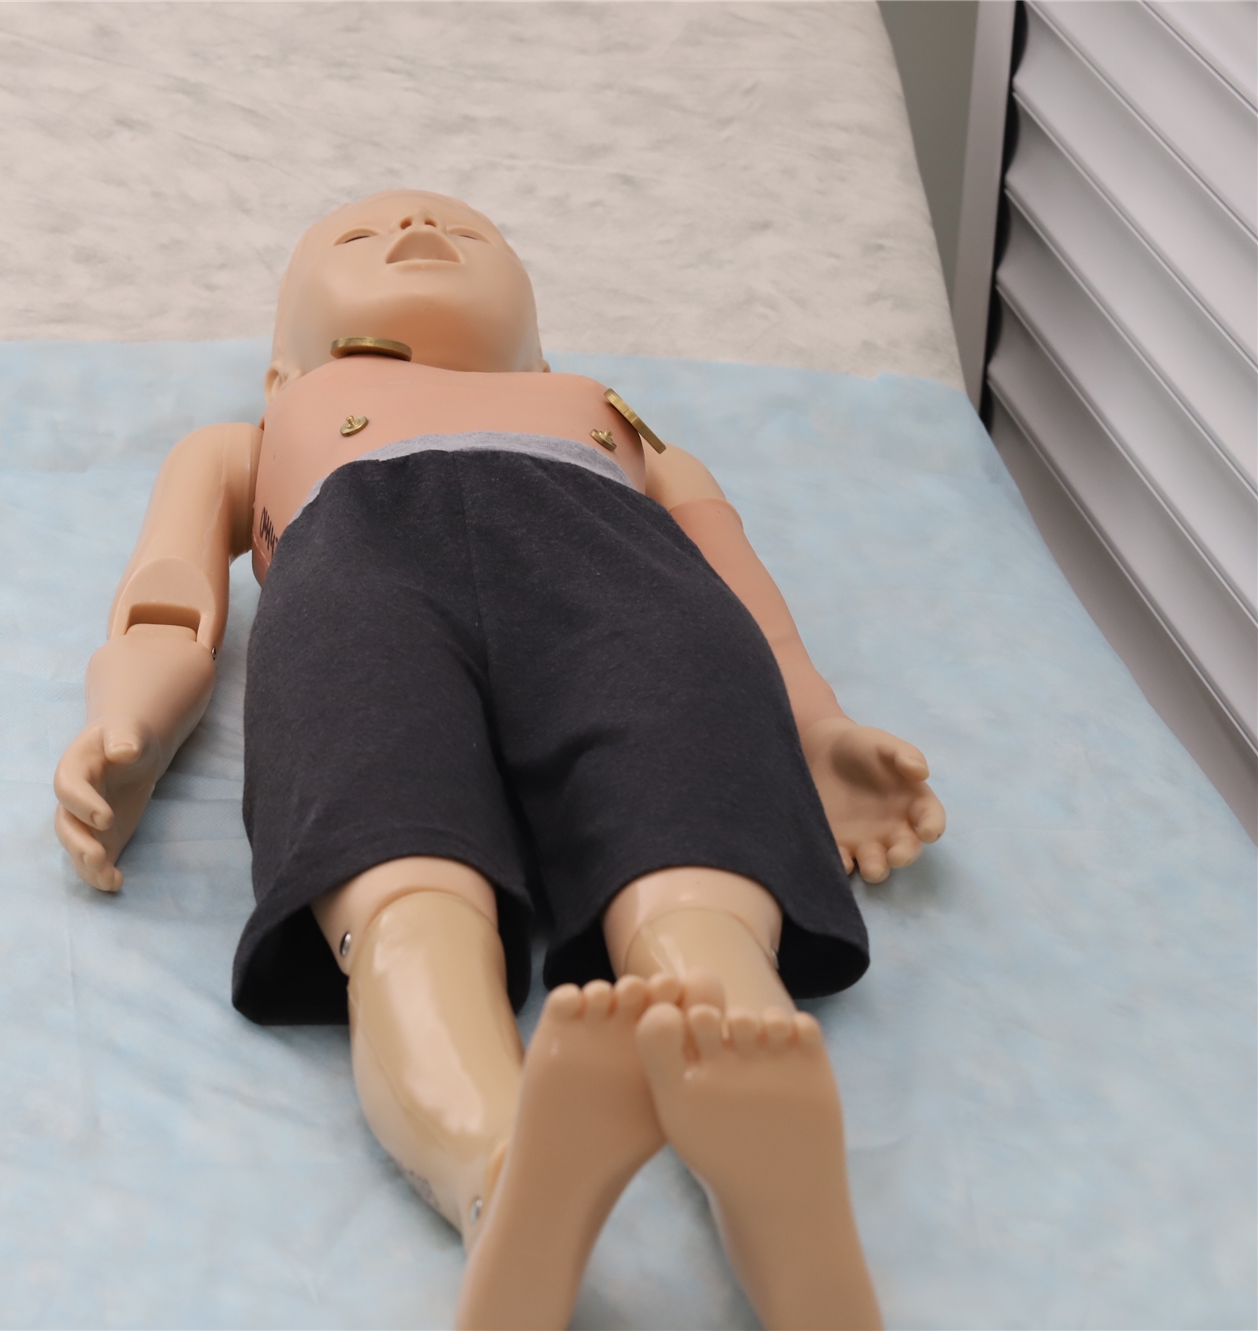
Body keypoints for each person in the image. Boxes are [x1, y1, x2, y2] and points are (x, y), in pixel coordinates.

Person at [52, 189, 943, 1330]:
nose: (415, 229)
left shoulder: (615, 422)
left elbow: (741, 595)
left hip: (623, 580)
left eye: (463, 233)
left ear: (540, 352)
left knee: (691, 847)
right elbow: (169, 599)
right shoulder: (249, 439)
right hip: (364, 580)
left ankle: (748, 1089)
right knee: (402, 886)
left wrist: (815, 730)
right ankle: (501, 1163)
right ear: (281, 375)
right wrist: (129, 722)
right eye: (358, 237)